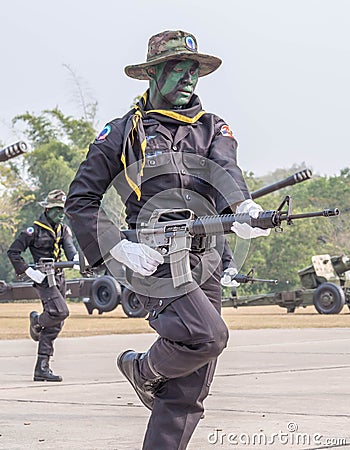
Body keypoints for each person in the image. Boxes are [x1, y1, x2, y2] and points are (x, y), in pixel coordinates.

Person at [65, 30, 269, 449]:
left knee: (187, 394)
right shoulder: (123, 131)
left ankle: (148, 377)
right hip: (153, 260)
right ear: (153, 75)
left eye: (195, 71)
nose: (190, 79)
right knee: (210, 336)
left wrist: (243, 209)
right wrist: (115, 246)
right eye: (179, 69)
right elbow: (81, 201)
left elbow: (228, 173)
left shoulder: (213, 128)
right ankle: (141, 370)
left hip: (206, 256)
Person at [8, 189, 78, 382]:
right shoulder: (33, 231)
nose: (61, 214)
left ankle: (42, 367)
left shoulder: (63, 229)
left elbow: (69, 249)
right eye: (57, 210)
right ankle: (37, 322)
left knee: (56, 322)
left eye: (63, 210)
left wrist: (77, 259)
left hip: (59, 276)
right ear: (47, 209)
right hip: (43, 278)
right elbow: (13, 252)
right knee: (61, 312)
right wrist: (30, 272)